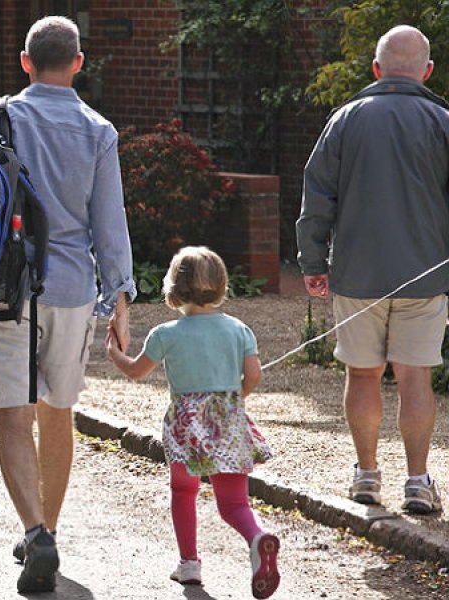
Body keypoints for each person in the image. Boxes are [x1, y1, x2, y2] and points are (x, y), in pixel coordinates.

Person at [0, 16, 134, 593]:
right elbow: (109, 221)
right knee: (58, 413)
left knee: (13, 414)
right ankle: (49, 533)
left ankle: (34, 530)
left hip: (2, 288)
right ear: (78, 63)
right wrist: (119, 296)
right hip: (70, 289)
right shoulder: (98, 130)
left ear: (24, 61)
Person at [297, 24, 448, 515]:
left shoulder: (346, 119)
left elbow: (317, 194)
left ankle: (366, 475)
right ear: (426, 71)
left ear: (376, 69)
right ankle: (417, 482)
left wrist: (313, 261)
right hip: (426, 274)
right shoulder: (443, 121)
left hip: (357, 273)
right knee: (415, 377)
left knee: (362, 376)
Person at [106, 246, 279, 599]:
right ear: (221, 286)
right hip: (228, 420)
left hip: (186, 426)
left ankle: (189, 564)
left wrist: (114, 354)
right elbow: (254, 376)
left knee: (183, 491)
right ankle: (257, 538)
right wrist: (236, 397)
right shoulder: (239, 329)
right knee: (234, 504)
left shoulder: (165, 334)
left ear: (174, 287)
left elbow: (137, 371)